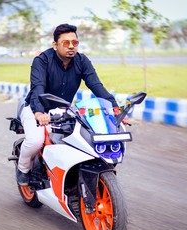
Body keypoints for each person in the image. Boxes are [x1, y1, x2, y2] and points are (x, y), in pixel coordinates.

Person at [16, 23, 127, 186]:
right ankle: (23, 169)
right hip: (35, 108)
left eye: (74, 43)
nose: (71, 47)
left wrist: (116, 110)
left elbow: (96, 86)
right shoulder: (42, 61)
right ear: (55, 45)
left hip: (62, 109)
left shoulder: (82, 61)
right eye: (65, 43)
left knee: (83, 138)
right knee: (35, 140)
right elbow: (37, 88)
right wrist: (39, 112)